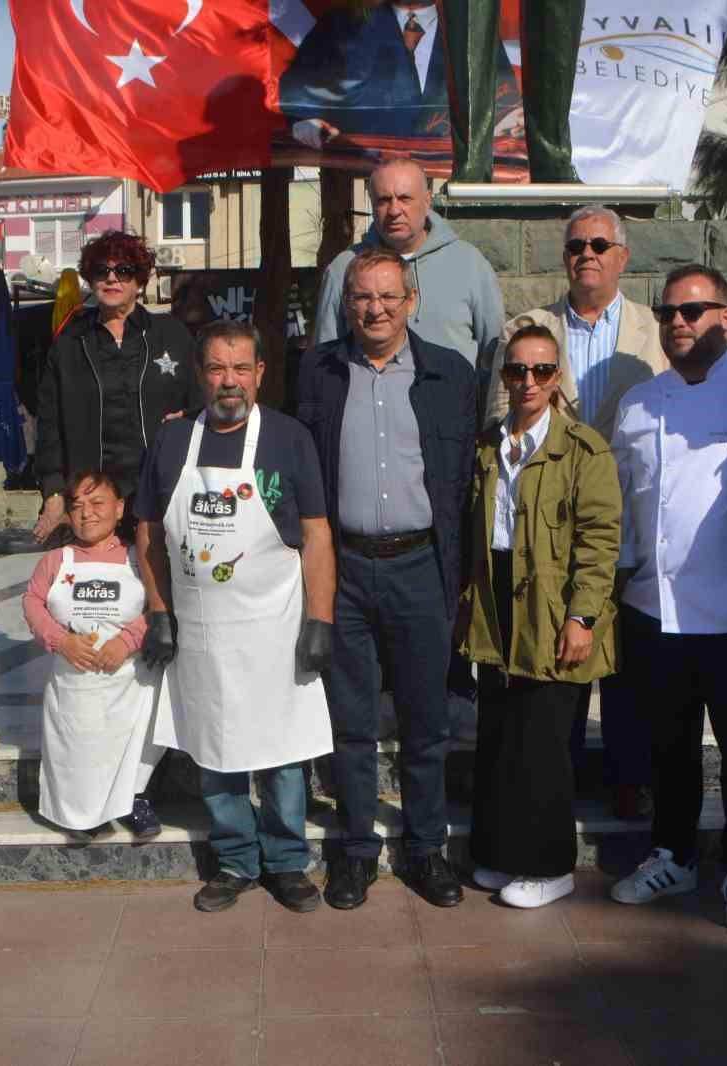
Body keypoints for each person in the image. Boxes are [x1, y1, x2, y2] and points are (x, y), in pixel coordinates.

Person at [604, 265, 727, 930]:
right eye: (668, 312)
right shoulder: (639, 404)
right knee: (669, 748)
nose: (678, 323)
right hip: (655, 609)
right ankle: (674, 855)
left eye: (694, 310)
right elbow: (624, 504)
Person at [297, 246, 477, 910]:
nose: (375, 308)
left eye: (388, 296)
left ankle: (426, 849)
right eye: (362, 297)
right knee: (350, 722)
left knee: (426, 722)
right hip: (342, 569)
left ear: (411, 301)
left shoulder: (450, 375)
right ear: (348, 304)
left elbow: (466, 486)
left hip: (419, 567)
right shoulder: (319, 371)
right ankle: (355, 851)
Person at [137, 320, 335, 915]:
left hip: (275, 628)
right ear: (201, 375)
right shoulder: (172, 443)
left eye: (241, 368)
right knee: (214, 749)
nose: (231, 381)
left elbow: (318, 536)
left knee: (279, 750)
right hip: (201, 632)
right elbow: (148, 531)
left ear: (261, 374)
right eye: (219, 369)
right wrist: (158, 610)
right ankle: (234, 860)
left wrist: (319, 620)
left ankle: (286, 861)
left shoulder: (290, 438)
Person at [496, 204, 668, 822]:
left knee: (625, 665)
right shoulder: (532, 327)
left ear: (622, 255)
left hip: (632, 522)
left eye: (599, 244)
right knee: (555, 659)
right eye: (575, 246)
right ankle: (556, 779)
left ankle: (629, 777)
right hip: (548, 526)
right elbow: (505, 411)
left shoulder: (655, 332)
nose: (586, 254)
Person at [456, 322, 620, 909]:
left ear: (557, 378)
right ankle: (501, 855)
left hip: (554, 605)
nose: (528, 381)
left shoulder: (584, 450)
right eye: (517, 370)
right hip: (497, 602)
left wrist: (583, 618)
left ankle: (549, 867)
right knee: (500, 737)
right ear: (504, 376)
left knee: (544, 744)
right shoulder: (486, 445)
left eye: (542, 370)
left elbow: (600, 543)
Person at [34, 230, 201, 546]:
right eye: (102, 271)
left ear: (139, 282)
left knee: (158, 586)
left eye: (123, 271)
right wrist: (54, 492)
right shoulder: (69, 343)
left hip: (160, 488)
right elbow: (49, 426)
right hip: (92, 496)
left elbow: (201, 403)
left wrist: (187, 421)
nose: (112, 278)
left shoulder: (172, 334)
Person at [23, 470, 165, 840]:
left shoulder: (141, 557)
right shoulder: (56, 561)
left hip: (130, 680)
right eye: (77, 506)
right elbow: (33, 602)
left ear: (120, 509)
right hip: (74, 680)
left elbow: (158, 605)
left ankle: (133, 797)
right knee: (77, 743)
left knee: (138, 737)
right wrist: (60, 639)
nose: (87, 513)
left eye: (97, 503)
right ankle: (80, 812)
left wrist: (128, 641)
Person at [313, 159, 505, 375]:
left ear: (427, 201)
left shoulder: (469, 264)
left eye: (405, 198)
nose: (394, 210)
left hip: (450, 406)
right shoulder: (344, 268)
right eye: (384, 200)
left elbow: (496, 356)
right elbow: (324, 360)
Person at [280, 1, 522, 147]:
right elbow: (296, 93)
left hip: (445, 180)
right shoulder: (341, 24)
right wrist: (302, 122)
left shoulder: (472, 32)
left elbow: (504, 101)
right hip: (363, 178)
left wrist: (508, 119)